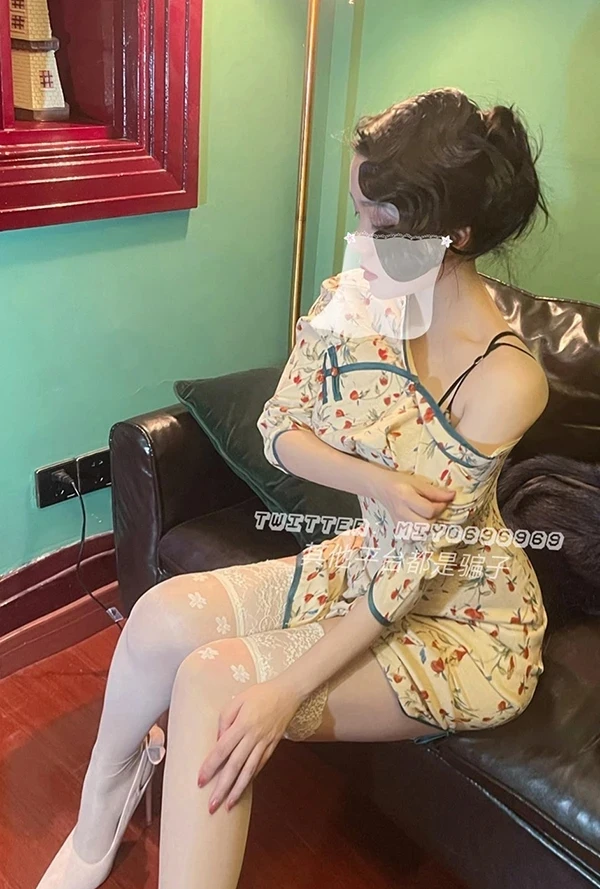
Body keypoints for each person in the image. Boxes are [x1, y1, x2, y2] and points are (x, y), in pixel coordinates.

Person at [36, 86, 550, 889]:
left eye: (382, 226)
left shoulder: (507, 378)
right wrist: (377, 478)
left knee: (216, 683)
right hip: (370, 557)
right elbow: (280, 429)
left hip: (465, 621)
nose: (360, 243)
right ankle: (104, 801)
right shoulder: (359, 299)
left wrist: (286, 690)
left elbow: (414, 570)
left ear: (456, 233)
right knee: (160, 616)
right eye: (357, 214)